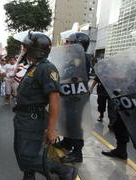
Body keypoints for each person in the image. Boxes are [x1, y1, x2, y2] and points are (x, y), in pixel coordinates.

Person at [13, 31, 77, 180]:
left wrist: (52, 128)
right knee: (22, 151)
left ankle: (63, 171)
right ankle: (29, 177)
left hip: (32, 119)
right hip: (23, 118)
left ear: (35, 50)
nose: (23, 49)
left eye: (26, 47)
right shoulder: (34, 66)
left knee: (27, 156)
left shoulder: (46, 68)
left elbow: (54, 98)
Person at [99, 26, 136, 180]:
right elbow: (132, 77)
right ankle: (121, 151)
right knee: (119, 125)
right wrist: (114, 78)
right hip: (129, 99)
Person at [55, 32, 91, 163]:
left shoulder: (82, 57)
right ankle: (67, 142)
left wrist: (60, 83)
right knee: (67, 120)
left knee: (75, 123)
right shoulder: (70, 57)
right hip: (69, 95)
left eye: (69, 42)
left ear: (78, 44)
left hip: (77, 97)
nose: (66, 44)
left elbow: (78, 76)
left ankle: (77, 153)